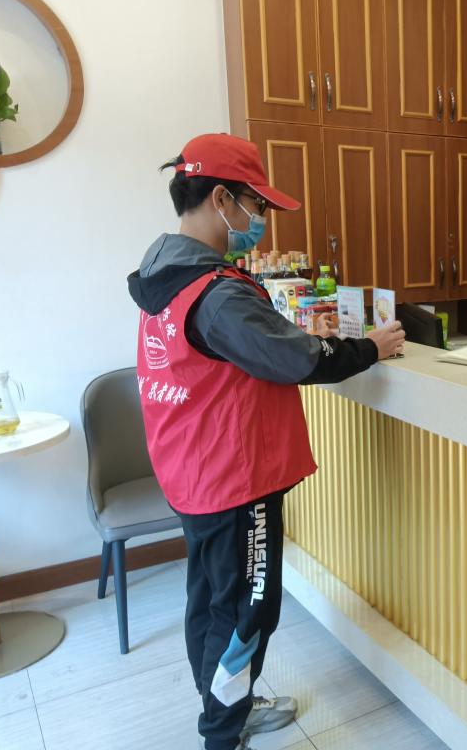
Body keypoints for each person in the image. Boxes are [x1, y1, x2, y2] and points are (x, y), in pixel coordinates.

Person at [126, 132, 405, 750]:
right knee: (246, 613)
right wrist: (369, 348)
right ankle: (224, 732)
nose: (261, 221)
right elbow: (299, 358)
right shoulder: (216, 293)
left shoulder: (163, 272)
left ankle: (227, 706)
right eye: (256, 205)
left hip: (192, 469)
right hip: (232, 478)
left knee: (212, 601)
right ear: (220, 199)